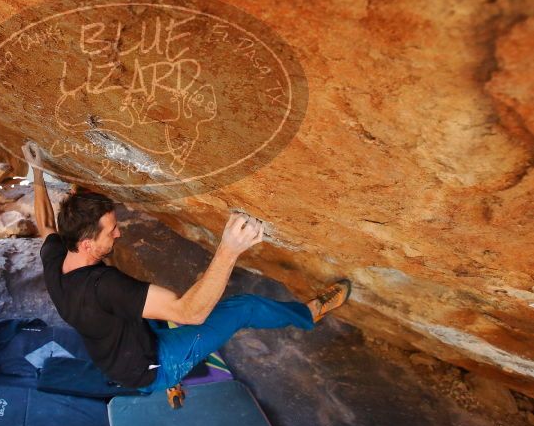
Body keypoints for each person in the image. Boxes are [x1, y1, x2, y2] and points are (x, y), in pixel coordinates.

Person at [23, 141, 351, 392]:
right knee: (243, 307)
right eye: (112, 230)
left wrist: (35, 170)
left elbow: (45, 224)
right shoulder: (104, 286)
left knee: (156, 307)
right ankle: (308, 315)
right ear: (86, 244)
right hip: (154, 367)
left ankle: (172, 372)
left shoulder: (56, 257)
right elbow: (190, 314)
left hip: (116, 354)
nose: (120, 232)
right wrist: (228, 250)